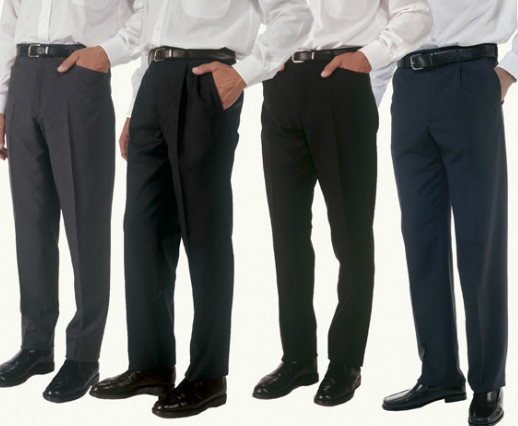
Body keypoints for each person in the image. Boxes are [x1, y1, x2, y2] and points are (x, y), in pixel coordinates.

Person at [89, 0, 312, 418]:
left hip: (205, 80)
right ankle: (151, 365)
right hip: (153, 81)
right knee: (142, 232)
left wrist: (244, 73)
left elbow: (294, 15)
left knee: (204, 231)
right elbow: (151, 33)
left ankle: (208, 376)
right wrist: (137, 106)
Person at [252, 0, 432, 408]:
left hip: (342, 82)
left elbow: (416, 13)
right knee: (287, 232)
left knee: (350, 234)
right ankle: (298, 357)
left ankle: (346, 361)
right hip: (280, 84)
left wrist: (369, 56)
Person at [380, 2, 517, 425]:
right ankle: (438, 374)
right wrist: (369, 98)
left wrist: (509, 71)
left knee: (479, 240)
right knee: (421, 239)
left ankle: (488, 381)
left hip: (469, 76)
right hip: (408, 84)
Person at [0, 0, 143, 403]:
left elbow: (149, 12)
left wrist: (107, 52)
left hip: (79, 76)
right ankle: (36, 346)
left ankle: (83, 355)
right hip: (23, 75)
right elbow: (7, 23)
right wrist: (1, 101)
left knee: (86, 224)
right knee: (31, 224)